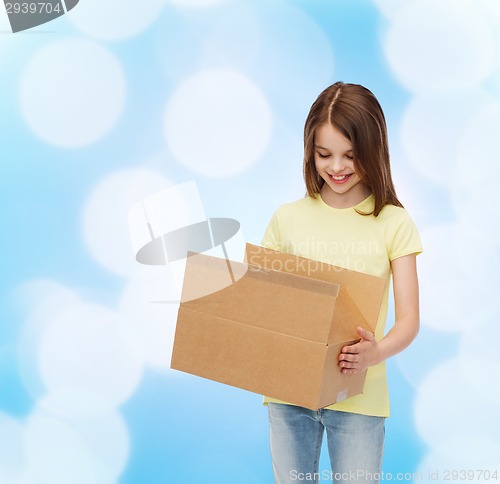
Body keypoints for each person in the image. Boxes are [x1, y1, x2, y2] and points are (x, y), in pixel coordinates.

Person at [261, 82, 422, 484]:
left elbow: (409, 321)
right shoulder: (287, 218)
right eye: (324, 154)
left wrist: (375, 352)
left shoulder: (393, 222)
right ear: (309, 152)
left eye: (351, 155)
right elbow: (262, 299)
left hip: (359, 397)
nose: (337, 167)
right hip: (288, 392)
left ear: (374, 151)